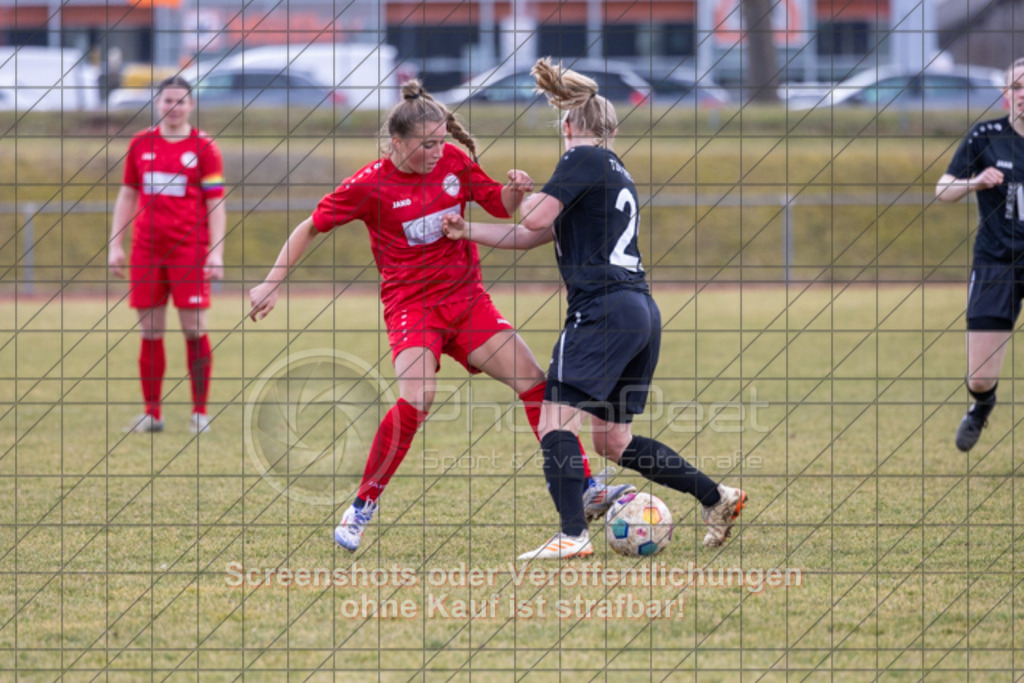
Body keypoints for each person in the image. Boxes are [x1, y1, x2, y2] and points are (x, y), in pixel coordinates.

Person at [248, 79, 632, 553]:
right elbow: (310, 226)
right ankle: (363, 505)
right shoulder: (370, 185)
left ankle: (587, 487)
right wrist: (271, 281)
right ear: (397, 144)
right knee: (417, 399)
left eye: (441, 142)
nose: (436, 152)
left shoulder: (453, 163)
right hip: (413, 307)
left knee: (537, 383)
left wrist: (514, 191)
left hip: (467, 301)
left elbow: (497, 204)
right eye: (426, 145)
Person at [442, 58, 748, 560]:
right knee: (612, 441)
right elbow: (532, 234)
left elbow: (534, 214)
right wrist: (469, 230)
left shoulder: (580, 159)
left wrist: (522, 192)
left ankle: (572, 535)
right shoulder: (613, 168)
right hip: (638, 312)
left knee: (554, 423)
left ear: (567, 126)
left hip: (602, 313)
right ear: (612, 127)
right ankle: (717, 497)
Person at [108, 75, 225, 435]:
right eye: (167, 101)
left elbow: (215, 201)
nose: (173, 107)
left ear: (190, 105)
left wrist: (216, 252)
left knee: (194, 329)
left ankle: (200, 412)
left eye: (180, 101)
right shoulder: (141, 143)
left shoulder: (204, 147)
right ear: (157, 104)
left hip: (188, 251)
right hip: (146, 251)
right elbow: (127, 195)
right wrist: (116, 243)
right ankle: (152, 414)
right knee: (151, 330)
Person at [936, 57, 1024, 452]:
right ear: (1006, 95)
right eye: (1018, 87)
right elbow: (942, 190)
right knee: (980, 377)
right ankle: (982, 405)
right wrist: (975, 182)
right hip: (998, 263)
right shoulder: (985, 136)